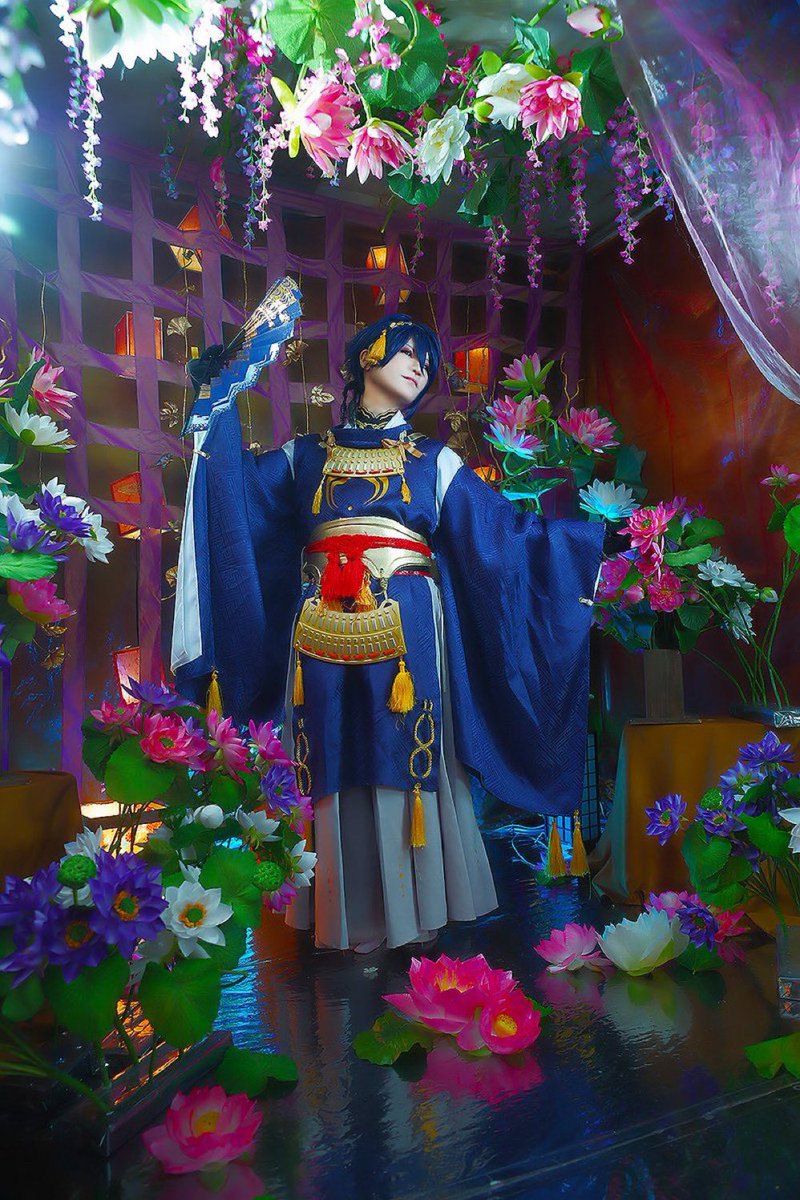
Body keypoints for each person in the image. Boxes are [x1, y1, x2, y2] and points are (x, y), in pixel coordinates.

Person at [172, 309, 604, 952]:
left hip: (408, 622)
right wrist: (219, 409)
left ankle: (413, 909)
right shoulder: (304, 455)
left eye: (427, 362)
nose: (419, 367)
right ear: (365, 357)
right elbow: (235, 502)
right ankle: (338, 911)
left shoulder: (436, 461)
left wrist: (587, 550)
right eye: (406, 351)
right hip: (319, 619)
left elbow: (505, 541)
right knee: (326, 746)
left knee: (406, 745)